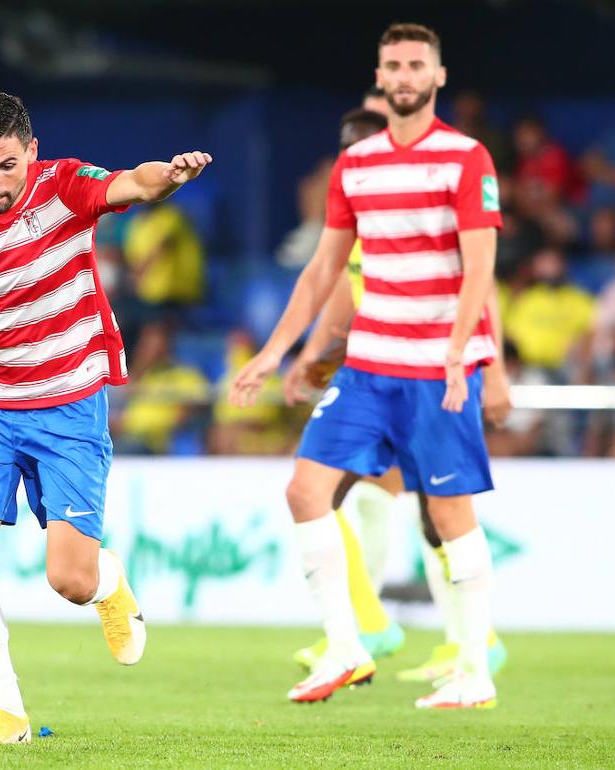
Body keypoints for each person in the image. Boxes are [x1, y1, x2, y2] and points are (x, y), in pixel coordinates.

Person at [0, 89, 212, 743]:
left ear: (32, 152)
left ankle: (109, 583)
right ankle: (7, 713)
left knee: (70, 580)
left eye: (5, 166)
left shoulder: (65, 185)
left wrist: (166, 179)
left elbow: (130, 185)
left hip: (69, 403)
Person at [231, 23, 502, 709]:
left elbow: (480, 270)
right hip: (369, 368)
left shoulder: (468, 159)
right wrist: (274, 352)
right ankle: (346, 648)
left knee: (448, 515)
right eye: (394, 65)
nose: (405, 75)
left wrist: (461, 351)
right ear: (381, 79)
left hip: (437, 370)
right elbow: (325, 269)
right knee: (304, 492)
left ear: (438, 77)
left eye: (417, 64)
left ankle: (475, 669)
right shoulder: (357, 166)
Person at [282, 109, 511, 684]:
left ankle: (449, 637)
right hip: (379, 378)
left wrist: (496, 367)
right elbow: (342, 293)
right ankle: (400, 629)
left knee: (425, 510)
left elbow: (480, 283)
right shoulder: (366, 222)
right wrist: (308, 355)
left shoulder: (421, 204)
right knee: (342, 496)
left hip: (428, 376)